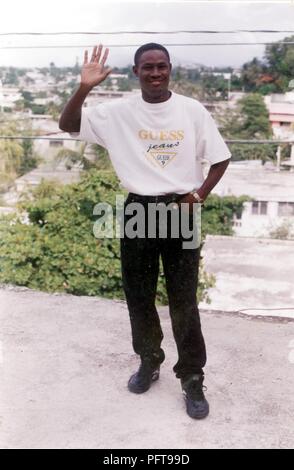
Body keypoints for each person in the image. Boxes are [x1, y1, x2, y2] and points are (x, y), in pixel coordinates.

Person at [59, 43, 231, 420]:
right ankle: (149, 360)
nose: (156, 73)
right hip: (139, 208)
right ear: (136, 72)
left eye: (162, 66)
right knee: (138, 295)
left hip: (181, 210)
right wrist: (84, 87)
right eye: (147, 67)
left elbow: (221, 159)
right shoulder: (117, 112)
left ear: (170, 69)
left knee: (183, 299)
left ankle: (192, 378)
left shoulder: (191, 111)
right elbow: (68, 125)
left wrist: (198, 195)